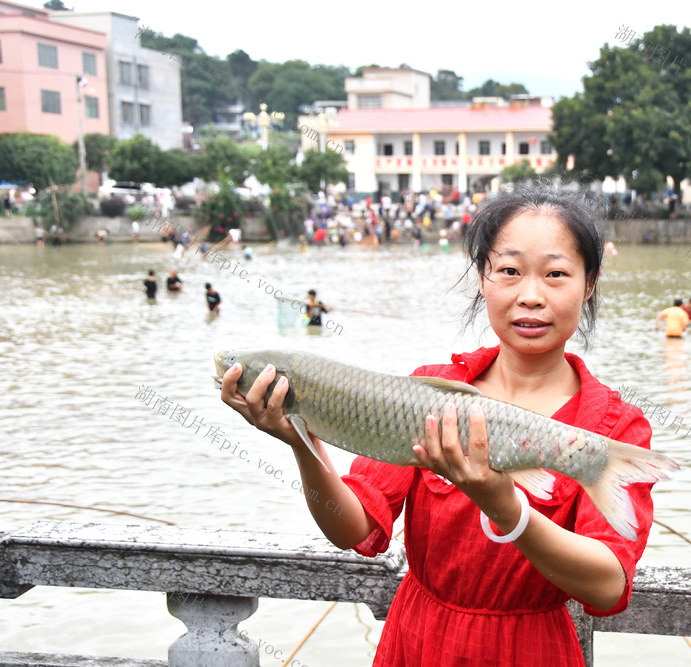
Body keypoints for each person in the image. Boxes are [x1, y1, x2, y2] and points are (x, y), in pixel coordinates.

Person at [219, 186, 657, 666]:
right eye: (509, 271)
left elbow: (609, 585)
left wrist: (507, 509)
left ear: (589, 283)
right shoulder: (425, 392)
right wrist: (300, 442)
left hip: (530, 650)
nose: (531, 296)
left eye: (556, 274)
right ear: (482, 279)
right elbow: (353, 529)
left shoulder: (612, 426)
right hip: (419, 641)